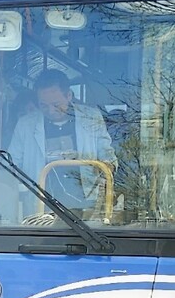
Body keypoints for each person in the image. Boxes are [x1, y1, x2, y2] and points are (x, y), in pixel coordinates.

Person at [6, 70, 112, 209]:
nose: (50, 110)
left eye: (56, 104)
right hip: (40, 204)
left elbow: (107, 155)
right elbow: (12, 163)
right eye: (43, 105)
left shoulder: (91, 118)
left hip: (85, 203)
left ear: (69, 96)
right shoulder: (25, 125)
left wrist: (107, 169)